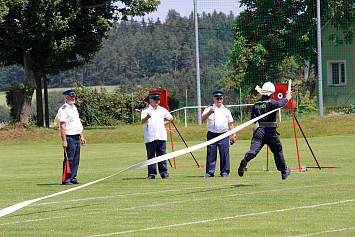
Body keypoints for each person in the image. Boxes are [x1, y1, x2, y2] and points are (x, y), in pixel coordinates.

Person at [238, 82, 292, 180]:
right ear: (271, 93)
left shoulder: (256, 104)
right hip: (270, 132)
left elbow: (252, 118)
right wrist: (287, 97)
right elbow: (280, 104)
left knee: (253, 150)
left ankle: (246, 160)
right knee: (277, 150)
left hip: (258, 131)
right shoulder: (271, 102)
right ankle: (284, 171)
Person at [202, 90, 236, 178]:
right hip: (212, 134)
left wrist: (234, 135)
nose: (219, 100)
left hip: (223, 134)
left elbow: (230, 124)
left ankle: (224, 172)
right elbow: (203, 118)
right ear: (214, 98)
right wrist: (209, 112)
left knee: (224, 153)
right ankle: (210, 172)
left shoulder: (226, 110)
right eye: (217, 98)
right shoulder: (209, 108)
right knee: (211, 154)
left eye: (221, 98)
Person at [57, 89, 86, 185]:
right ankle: (66, 179)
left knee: (76, 159)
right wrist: (64, 140)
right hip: (69, 136)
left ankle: (73, 177)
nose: (73, 98)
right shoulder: (63, 110)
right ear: (66, 98)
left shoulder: (74, 108)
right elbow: (62, 126)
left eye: (73, 96)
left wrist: (81, 136)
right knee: (69, 159)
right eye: (71, 96)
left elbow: (77, 123)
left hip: (76, 136)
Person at [141, 92, 173, 179]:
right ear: (150, 100)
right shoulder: (146, 110)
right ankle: (151, 174)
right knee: (151, 156)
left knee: (162, 155)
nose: (157, 101)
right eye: (155, 100)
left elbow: (170, 118)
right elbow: (142, 121)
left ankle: (164, 173)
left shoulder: (162, 110)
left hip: (161, 135)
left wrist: (163, 124)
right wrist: (147, 117)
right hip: (150, 136)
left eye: (158, 100)